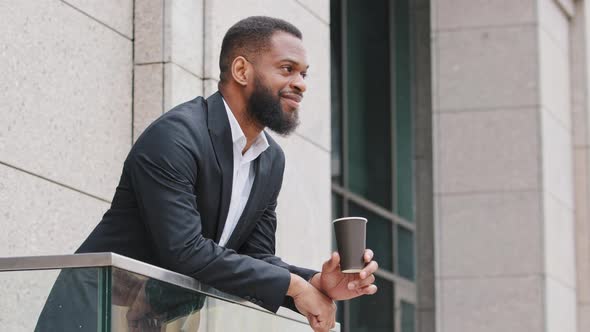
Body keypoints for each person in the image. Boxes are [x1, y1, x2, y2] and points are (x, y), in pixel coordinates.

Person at [37, 16, 378, 332]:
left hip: (158, 319)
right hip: (94, 312)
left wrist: (316, 281)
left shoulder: (270, 159)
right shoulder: (175, 136)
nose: (300, 84)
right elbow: (185, 250)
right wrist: (294, 285)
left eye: (304, 74)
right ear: (242, 70)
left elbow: (254, 259)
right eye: (287, 69)